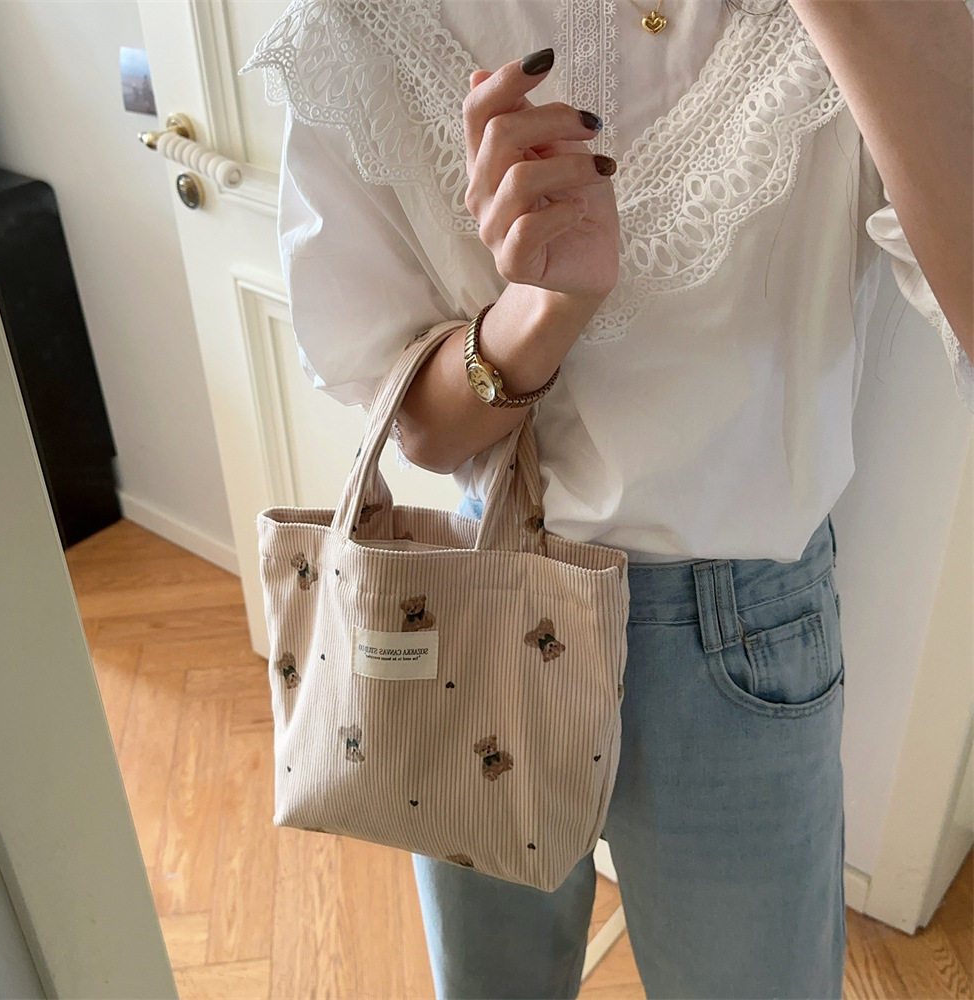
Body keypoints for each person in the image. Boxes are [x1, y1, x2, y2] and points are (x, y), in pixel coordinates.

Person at [240, 1, 973, 996]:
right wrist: (542, 311)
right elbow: (419, 431)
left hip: (742, 633)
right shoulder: (371, 22)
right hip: (484, 584)